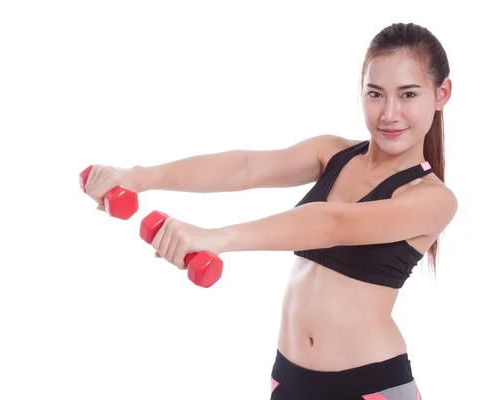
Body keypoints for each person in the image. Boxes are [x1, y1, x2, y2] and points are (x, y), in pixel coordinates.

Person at [84, 22, 457, 400]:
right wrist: (137, 177)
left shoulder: (433, 199)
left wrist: (215, 237)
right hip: (289, 379)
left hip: (370, 386)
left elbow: (333, 224)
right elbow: (245, 167)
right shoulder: (332, 153)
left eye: (408, 94)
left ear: (441, 94)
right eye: (375, 94)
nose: (389, 113)